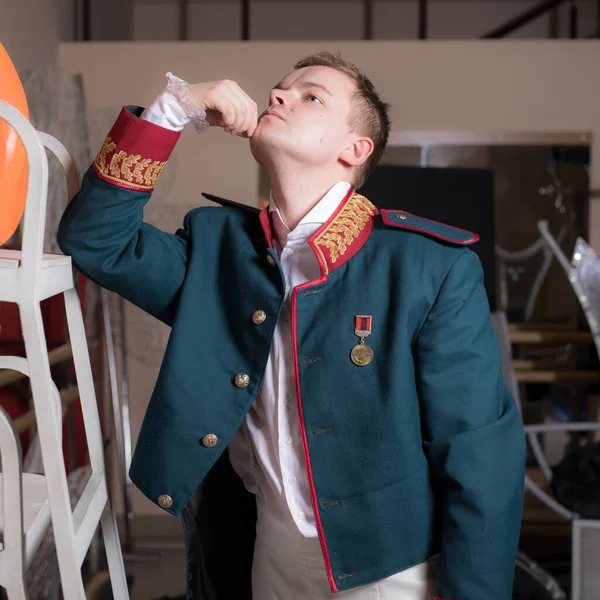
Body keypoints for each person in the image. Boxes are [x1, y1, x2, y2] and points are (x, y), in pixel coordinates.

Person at [57, 52, 525, 600]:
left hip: (391, 570)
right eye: (280, 89)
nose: (278, 96)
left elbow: (479, 449)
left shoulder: (430, 266)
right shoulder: (218, 249)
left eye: (311, 96)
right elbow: (95, 240)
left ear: (355, 149)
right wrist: (172, 109)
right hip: (264, 558)